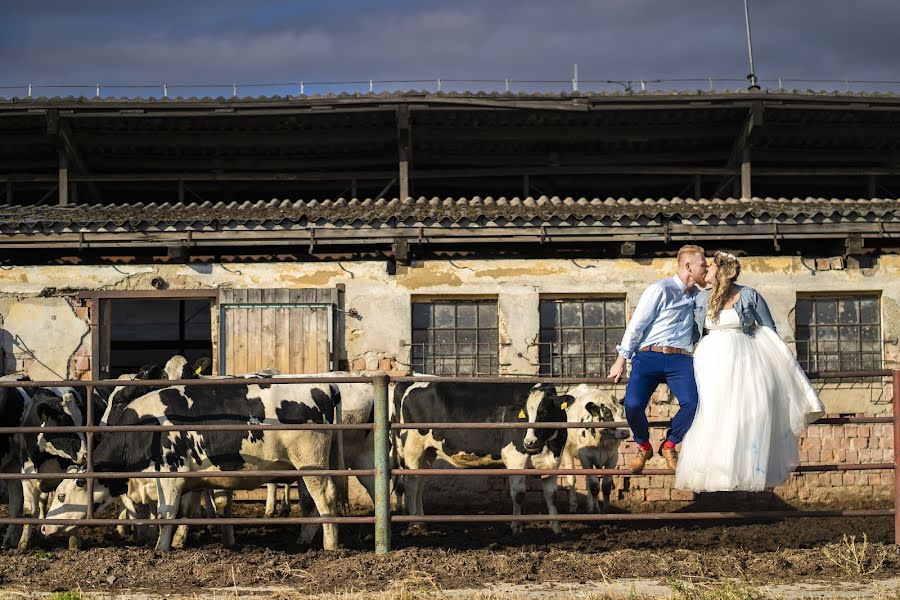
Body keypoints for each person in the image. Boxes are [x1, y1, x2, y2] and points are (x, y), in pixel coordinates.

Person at [675, 251, 825, 492]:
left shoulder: (748, 296)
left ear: (721, 270)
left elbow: (769, 329)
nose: (707, 269)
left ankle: (745, 469)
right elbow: (691, 333)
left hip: (742, 361)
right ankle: (717, 471)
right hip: (709, 361)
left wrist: (775, 364)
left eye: (711, 265)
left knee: (743, 414)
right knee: (711, 412)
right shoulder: (701, 299)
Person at [609, 245, 708, 474]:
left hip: (681, 359)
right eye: (703, 264)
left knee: (692, 403)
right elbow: (637, 324)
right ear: (688, 266)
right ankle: (643, 446)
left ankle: (669, 445)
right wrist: (621, 359)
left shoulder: (700, 296)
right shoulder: (660, 289)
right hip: (648, 355)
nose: (706, 268)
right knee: (632, 405)